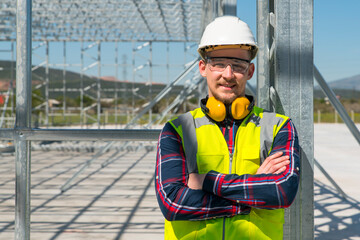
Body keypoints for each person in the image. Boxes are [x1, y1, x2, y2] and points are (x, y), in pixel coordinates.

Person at [155, 15, 300, 240]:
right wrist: (251, 195)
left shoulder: (279, 126)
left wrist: (205, 181)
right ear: (203, 67)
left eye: (238, 66)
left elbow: (281, 191)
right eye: (219, 64)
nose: (228, 74)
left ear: (250, 72)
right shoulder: (178, 130)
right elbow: (173, 203)